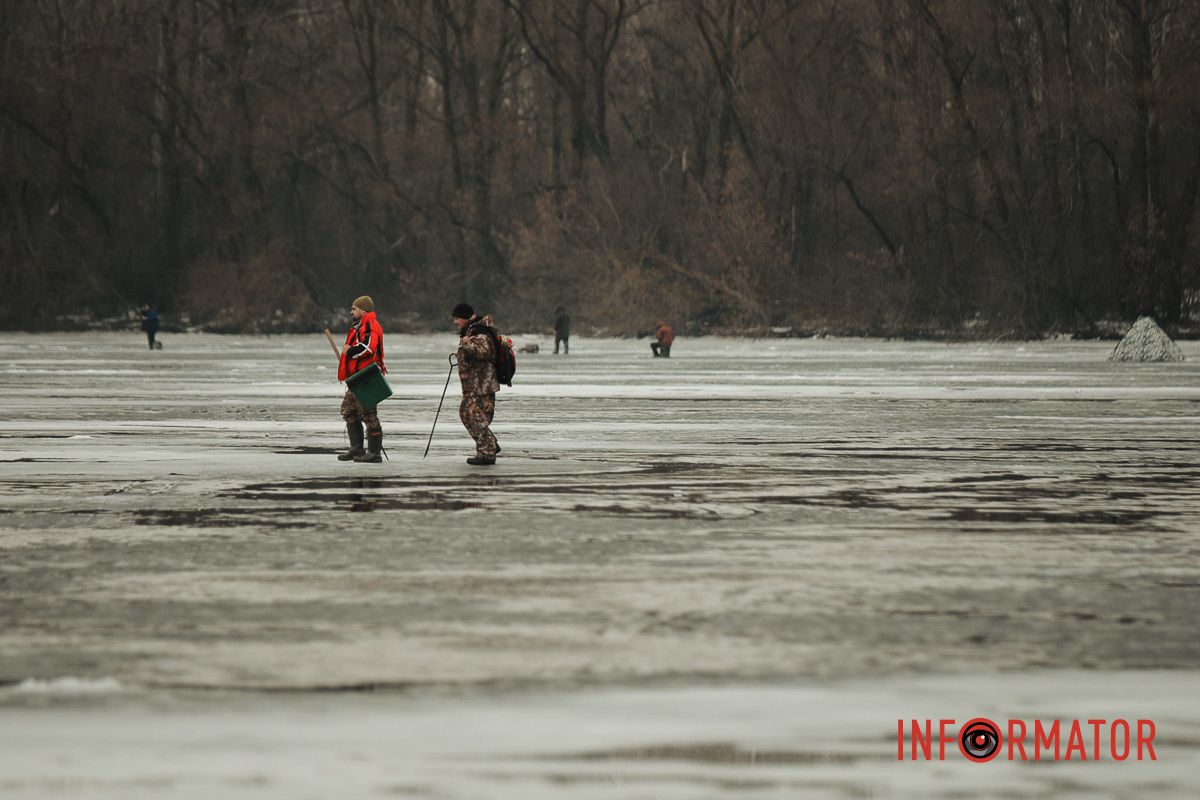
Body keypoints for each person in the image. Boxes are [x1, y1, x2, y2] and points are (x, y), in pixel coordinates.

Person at [337, 295, 386, 463]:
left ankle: (374, 453)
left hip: (367, 377)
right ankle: (357, 448)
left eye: (354, 308)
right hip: (356, 378)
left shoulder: (371, 325)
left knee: (369, 413)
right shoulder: (358, 327)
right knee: (349, 410)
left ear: (363, 310)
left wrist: (350, 351)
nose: (351, 312)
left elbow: (368, 347)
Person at [452, 302, 499, 466]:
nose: (455, 322)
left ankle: (487, 453)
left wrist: (465, 343)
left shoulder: (480, 331)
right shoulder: (471, 329)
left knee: (474, 416)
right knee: (466, 414)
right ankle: (489, 444)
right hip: (473, 385)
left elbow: (484, 352)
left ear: (464, 318)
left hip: (481, 385)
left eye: (457, 318)